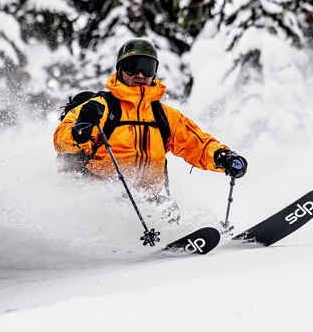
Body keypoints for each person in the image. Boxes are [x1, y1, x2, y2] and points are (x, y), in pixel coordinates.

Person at [53, 39, 247, 222]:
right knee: (128, 213)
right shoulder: (100, 106)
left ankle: (169, 251)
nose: (140, 74)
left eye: (147, 68)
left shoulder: (162, 115)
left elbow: (196, 143)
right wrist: (80, 130)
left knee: (167, 211)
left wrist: (222, 157)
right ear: (120, 70)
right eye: (132, 66)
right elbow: (61, 139)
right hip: (100, 196)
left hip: (148, 198)